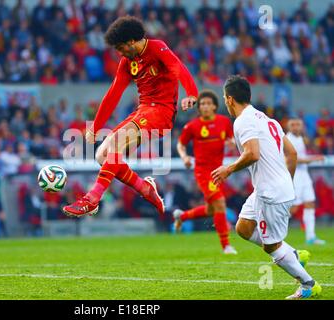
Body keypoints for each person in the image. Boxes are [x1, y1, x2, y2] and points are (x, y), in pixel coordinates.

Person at [63, 16, 198, 217]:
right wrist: (96, 127)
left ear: (132, 42)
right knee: (102, 155)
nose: (119, 53)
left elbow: (178, 68)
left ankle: (92, 199)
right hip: (143, 111)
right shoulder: (127, 62)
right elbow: (113, 94)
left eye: (121, 47)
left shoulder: (157, 47)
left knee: (116, 144)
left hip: (161, 112)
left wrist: (191, 93)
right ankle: (145, 188)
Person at [211, 75, 321, 299]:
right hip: (268, 189)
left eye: (225, 98)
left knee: (270, 246)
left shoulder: (242, 121)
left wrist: (228, 169)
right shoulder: (267, 119)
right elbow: (292, 153)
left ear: (230, 99)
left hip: (270, 193)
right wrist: (286, 182)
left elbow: (253, 153)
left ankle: (308, 284)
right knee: (243, 228)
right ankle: (293, 254)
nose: (225, 102)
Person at [173, 89, 237, 255]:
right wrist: (185, 157)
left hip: (219, 172)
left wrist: (232, 143)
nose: (206, 106)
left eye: (209, 103)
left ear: (215, 106)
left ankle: (182, 216)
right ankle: (226, 245)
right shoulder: (192, 126)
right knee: (220, 203)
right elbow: (180, 145)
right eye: (202, 104)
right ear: (199, 108)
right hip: (203, 172)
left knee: (212, 209)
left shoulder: (224, 122)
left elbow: (231, 139)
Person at [286, 118, 326, 245]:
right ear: (288, 127)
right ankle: (270, 231)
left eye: (298, 124)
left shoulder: (300, 138)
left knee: (310, 203)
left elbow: (301, 157)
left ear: (302, 126)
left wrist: (312, 158)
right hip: (294, 175)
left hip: (304, 175)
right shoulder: (288, 140)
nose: (295, 127)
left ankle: (311, 237)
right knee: (294, 207)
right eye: (292, 124)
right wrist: (314, 159)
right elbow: (293, 160)